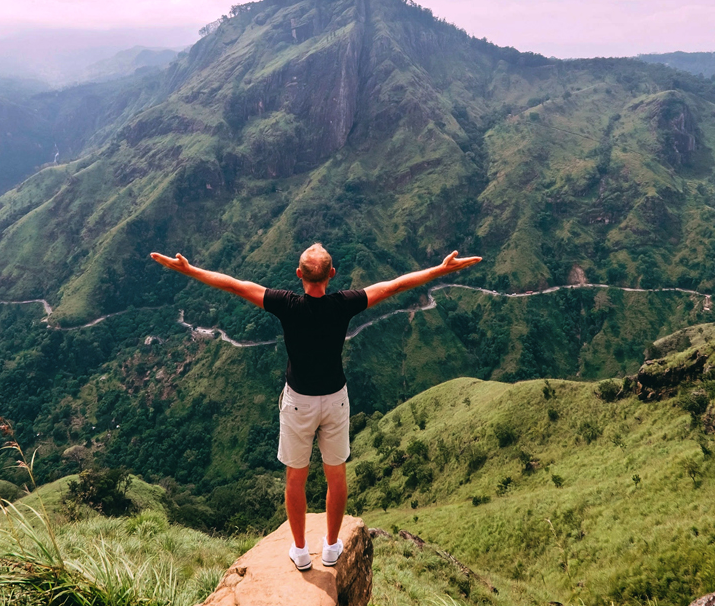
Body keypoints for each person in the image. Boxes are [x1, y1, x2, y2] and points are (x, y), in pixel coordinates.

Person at [150, 243, 482, 570]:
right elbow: (394, 285)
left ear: (299, 275)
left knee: (295, 479)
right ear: (332, 274)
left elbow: (235, 285)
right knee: (335, 476)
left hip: (298, 403)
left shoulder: (286, 304)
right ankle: (331, 546)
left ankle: (299, 550)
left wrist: (189, 270)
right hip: (335, 400)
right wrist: (440, 269)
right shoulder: (344, 304)